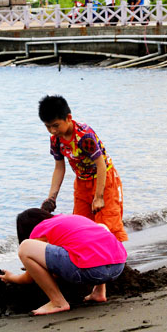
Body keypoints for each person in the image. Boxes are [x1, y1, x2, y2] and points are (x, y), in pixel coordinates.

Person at [0, 208, 127, 316]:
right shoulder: (70, 219)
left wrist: (12, 277)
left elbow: (30, 278)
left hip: (91, 271)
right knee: (100, 227)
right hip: (118, 266)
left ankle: (58, 302)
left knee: (25, 247)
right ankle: (99, 292)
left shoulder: (39, 229)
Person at [39, 95, 128, 242]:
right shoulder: (56, 140)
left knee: (108, 224)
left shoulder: (84, 137)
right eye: (48, 126)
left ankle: (118, 262)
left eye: (55, 125)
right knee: (81, 225)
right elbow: (59, 168)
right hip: (81, 182)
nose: (52, 131)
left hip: (104, 181)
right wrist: (51, 198)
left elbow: (101, 165)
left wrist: (98, 197)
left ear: (68, 118)